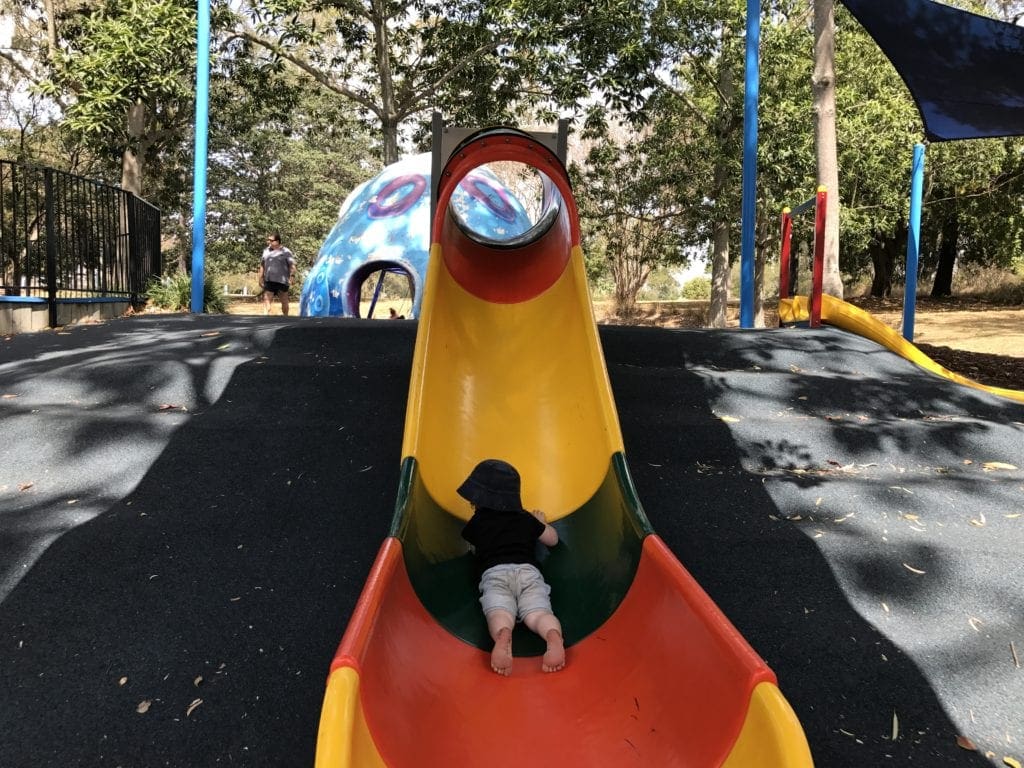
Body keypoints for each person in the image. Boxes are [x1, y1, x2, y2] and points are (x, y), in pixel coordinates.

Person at [458, 459, 565, 676]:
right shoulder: (525, 518)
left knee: (498, 610)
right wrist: (541, 523)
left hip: (494, 574)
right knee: (538, 612)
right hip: (528, 573)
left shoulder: (477, 523)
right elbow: (553, 540)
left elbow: (470, 547)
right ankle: (552, 634)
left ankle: (503, 633)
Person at [257, 232, 296, 316]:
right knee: (266, 299)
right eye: (268, 240)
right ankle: (265, 318)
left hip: (282, 281)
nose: (269, 242)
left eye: (271, 240)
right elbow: (262, 265)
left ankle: (285, 317)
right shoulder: (266, 251)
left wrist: (292, 276)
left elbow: (292, 265)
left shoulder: (286, 251)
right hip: (269, 280)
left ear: (277, 241)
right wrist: (260, 278)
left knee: (284, 302)